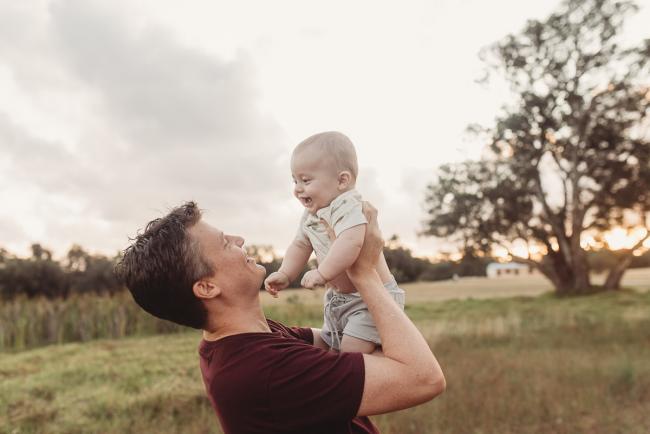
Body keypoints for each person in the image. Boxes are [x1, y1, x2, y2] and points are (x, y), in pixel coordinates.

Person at [115, 201, 445, 434]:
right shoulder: (265, 372)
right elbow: (423, 378)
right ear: (206, 287)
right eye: (225, 243)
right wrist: (365, 272)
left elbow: (366, 343)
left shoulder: (250, 340)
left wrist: (355, 245)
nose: (240, 240)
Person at [264, 131, 404, 353]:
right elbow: (300, 245)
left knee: (348, 356)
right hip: (339, 299)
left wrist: (322, 273)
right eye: (295, 180)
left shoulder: (348, 206)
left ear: (342, 180)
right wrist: (285, 273)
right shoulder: (313, 214)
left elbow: (351, 242)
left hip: (370, 299)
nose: (298, 188)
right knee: (333, 348)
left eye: (306, 180)